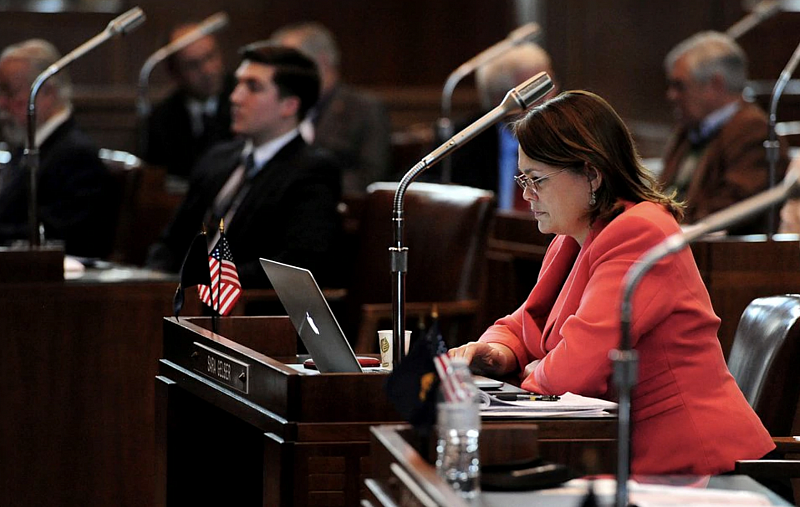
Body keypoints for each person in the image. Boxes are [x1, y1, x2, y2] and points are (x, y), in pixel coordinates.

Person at [449, 90, 774, 475]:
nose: (526, 194)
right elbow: (522, 324)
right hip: (624, 455)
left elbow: (576, 372)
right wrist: (498, 352)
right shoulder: (571, 239)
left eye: (536, 179)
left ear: (591, 174)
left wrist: (531, 370)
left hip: (696, 466)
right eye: (522, 178)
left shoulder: (642, 232)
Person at [146, 44, 342, 288]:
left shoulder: (311, 170)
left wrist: (202, 283)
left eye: (253, 87)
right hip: (182, 298)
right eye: (238, 83)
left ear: (289, 105)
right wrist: (154, 280)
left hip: (245, 311)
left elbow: (296, 265)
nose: (235, 97)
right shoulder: (218, 158)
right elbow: (172, 242)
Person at [661, 31, 788, 234]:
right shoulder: (688, 129)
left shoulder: (755, 132)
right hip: (675, 241)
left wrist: (669, 228)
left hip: (727, 256)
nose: (672, 95)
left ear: (715, 85)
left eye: (680, 86)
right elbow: (662, 191)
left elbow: (731, 210)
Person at [0, 39, 113, 257]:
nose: (2, 103)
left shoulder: (75, 154)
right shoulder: (29, 146)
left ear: (48, 93)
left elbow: (58, 234)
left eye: (10, 92)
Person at [427, 43, 557, 211]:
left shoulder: (567, 136)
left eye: (549, 85)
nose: (549, 99)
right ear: (500, 99)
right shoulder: (466, 139)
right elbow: (421, 185)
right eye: (535, 94)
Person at [269, 22, 392, 196]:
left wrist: (307, 185)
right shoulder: (280, 107)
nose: (282, 76)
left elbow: (371, 178)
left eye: (290, 65)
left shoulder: (364, 109)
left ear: (322, 61)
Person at [144, 22, 236, 181]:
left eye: (210, 57)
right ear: (174, 72)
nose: (207, 70)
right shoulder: (162, 118)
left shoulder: (243, 100)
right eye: (193, 65)